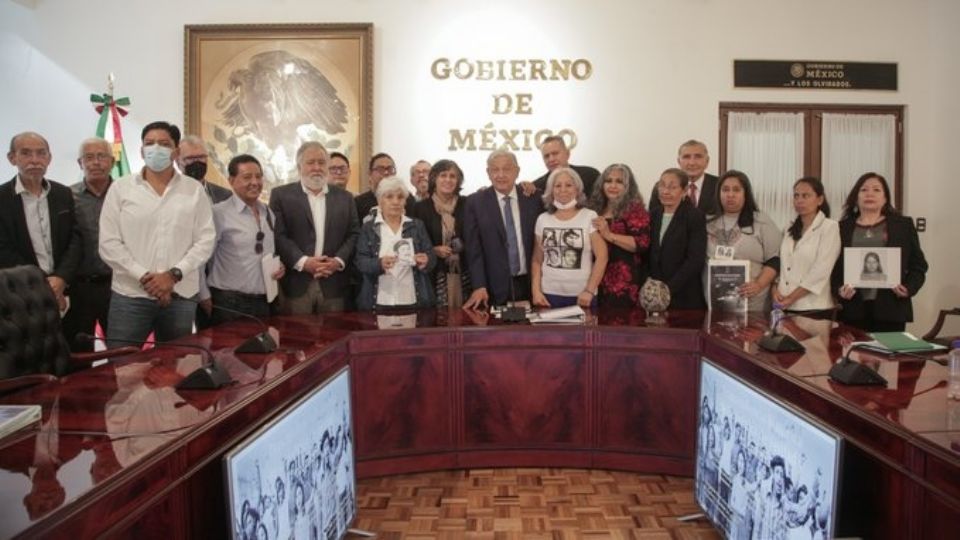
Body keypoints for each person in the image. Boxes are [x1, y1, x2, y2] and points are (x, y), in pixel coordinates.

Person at [99, 121, 216, 346]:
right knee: (123, 367)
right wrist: (146, 277)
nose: (155, 149)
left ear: (176, 151)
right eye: (149, 144)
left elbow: (205, 240)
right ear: (141, 151)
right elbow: (108, 243)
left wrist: (172, 275)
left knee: (175, 367)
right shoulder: (121, 189)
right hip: (130, 296)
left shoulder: (194, 190)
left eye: (163, 144)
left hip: (180, 295)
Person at [270, 141, 359, 314]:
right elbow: (279, 235)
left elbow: (354, 234)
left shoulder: (345, 198)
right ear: (299, 167)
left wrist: (338, 261)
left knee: (334, 337)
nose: (316, 167)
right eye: (311, 163)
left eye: (321, 162)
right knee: (297, 337)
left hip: (334, 284)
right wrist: (304, 262)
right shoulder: (281, 195)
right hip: (296, 284)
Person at [831, 172, 927, 331]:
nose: (870, 194)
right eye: (864, 190)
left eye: (876, 190)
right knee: (854, 354)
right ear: (856, 197)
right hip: (853, 308)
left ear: (885, 198)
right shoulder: (841, 228)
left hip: (891, 307)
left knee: (887, 354)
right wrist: (839, 290)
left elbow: (919, 266)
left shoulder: (903, 226)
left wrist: (908, 288)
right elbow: (833, 267)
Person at [1, 131, 81, 316]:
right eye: (26, 153)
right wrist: (43, 283)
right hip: (19, 293)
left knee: (72, 344)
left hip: (66, 288)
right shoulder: (2, 198)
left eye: (41, 153)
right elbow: (3, 249)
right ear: (12, 158)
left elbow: (75, 240)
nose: (35, 160)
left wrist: (61, 279)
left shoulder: (63, 193)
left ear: (49, 158)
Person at [206, 155, 285, 323]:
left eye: (258, 176)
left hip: (264, 301)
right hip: (228, 303)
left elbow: (267, 252)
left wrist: (279, 266)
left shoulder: (268, 213)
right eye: (247, 177)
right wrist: (203, 296)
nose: (255, 182)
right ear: (231, 180)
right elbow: (203, 258)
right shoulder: (218, 213)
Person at [462, 149, 543, 309]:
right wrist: (479, 285)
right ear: (488, 173)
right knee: (497, 332)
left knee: (531, 333)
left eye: (506, 169)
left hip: (531, 284)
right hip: (493, 286)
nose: (500, 175)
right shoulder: (475, 202)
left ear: (517, 171)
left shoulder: (533, 198)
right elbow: (473, 250)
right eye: (495, 170)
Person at [63, 137, 115, 351]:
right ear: (80, 163)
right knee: (78, 352)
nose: (95, 162)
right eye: (89, 157)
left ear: (112, 161)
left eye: (101, 156)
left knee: (122, 354)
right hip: (79, 288)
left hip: (117, 287)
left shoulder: (125, 193)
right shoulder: (66, 196)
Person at [704, 170, 781, 312]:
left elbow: (775, 259)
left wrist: (758, 284)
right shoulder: (707, 221)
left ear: (746, 193)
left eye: (736, 190)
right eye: (725, 190)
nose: (730, 195)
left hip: (753, 306)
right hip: (716, 306)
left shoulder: (761, 221)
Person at [531, 167, 607, 308]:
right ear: (551, 190)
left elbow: (602, 257)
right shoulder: (542, 219)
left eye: (568, 185)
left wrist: (589, 291)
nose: (563, 189)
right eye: (557, 185)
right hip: (548, 295)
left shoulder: (589, 216)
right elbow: (537, 260)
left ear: (577, 189)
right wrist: (536, 290)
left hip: (582, 296)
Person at [354, 177, 435, 310]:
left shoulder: (417, 225)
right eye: (389, 197)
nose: (395, 202)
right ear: (380, 201)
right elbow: (360, 261)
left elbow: (431, 256)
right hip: (379, 300)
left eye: (400, 197)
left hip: (412, 299)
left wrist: (426, 260)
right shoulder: (368, 228)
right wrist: (379, 263)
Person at [773, 177, 841, 312]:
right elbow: (780, 264)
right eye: (796, 196)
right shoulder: (788, 228)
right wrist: (774, 290)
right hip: (783, 304)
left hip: (813, 307)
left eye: (806, 196)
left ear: (820, 200)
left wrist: (791, 298)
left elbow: (821, 270)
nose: (799, 200)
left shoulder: (829, 227)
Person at [588, 163, 651, 307]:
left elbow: (642, 244)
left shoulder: (634, 209)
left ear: (628, 186)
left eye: (619, 182)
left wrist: (609, 235)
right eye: (608, 181)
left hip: (623, 282)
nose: (613, 185)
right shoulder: (593, 209)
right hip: (594, 279)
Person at [410, 159, 471, 308]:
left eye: (453, 176)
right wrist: (433, 250)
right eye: (443, 175)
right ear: (434, 179)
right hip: (433, 277)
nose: (448, 180)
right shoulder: (419, 208)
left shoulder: (468, 204)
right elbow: (413, 244)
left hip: (466, 276)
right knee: (437, 323)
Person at [648, 168, 707, 309]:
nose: (665, 191)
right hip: (654, 293)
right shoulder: (653, 214)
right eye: (662, 185)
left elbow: (695, 259)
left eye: (672, 187)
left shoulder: (694, 215)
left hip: (684, 292)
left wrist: (668, 288)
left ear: (684, 190)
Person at [650, 139, 719, 215]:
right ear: (679, 161)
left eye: (698, 157)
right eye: (686, 157)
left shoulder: (719, 185)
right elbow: (654, 219)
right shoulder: (662, 187)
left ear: (707, 161)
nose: (692, 163)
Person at [529, 135, 599, 196]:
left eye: (555, 153)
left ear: (567, 154)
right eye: (546, 156)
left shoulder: (591, 175)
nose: (551, 159)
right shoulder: (537, 187)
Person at [354, 153, 414, 222]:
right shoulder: (358, 203)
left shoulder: (407, 198)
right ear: (370, 173)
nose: (386, 172)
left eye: (390, 169)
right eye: (380, 169)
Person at [176, 135, 232, 204]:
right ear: (178, 161)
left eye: (201, 157)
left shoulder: (225, 195)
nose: (197, 161)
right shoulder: (168, 194)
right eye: (190, 158)